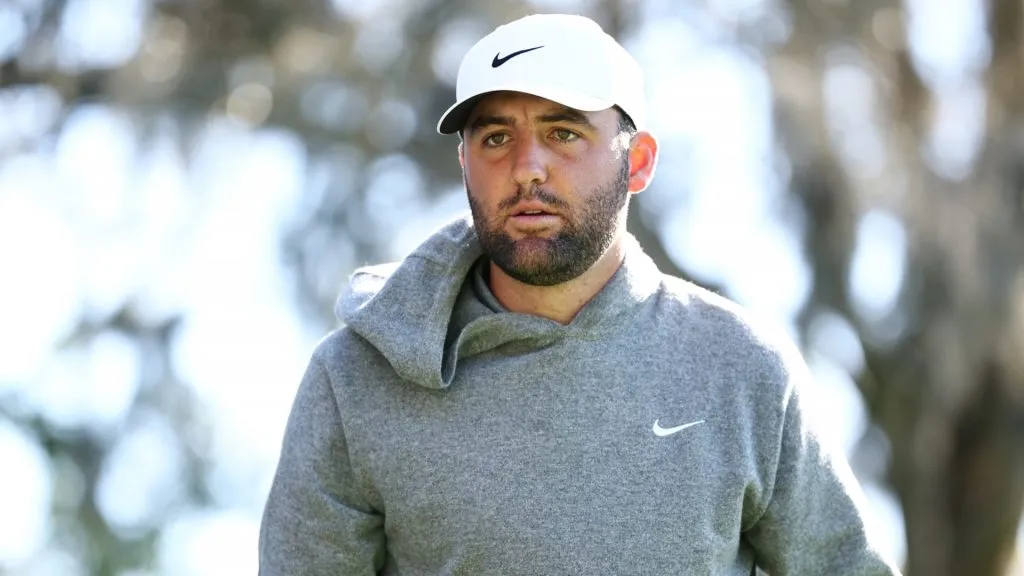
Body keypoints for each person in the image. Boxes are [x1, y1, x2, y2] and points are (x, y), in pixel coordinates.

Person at [258, 12, 902, 576]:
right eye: (495, 137)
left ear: (639, 161)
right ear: (464, 164)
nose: (527, 166)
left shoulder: (741, 367)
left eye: (564, 133)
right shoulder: (354, 379)